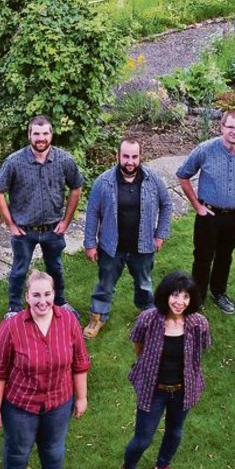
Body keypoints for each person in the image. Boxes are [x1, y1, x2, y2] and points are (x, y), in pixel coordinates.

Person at [0, 270, 90, 469]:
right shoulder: (12, 327)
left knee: (54, 447)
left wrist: (82, 397)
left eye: (47, 294)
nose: (42, 301)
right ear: (27, 297)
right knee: (18, 449)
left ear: (54, 294)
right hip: (20, 404)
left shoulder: (68, 321)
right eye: (36, 295)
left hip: (59, 401)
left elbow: (80, 362)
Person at [117, 271, 212, 469]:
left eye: (186, 297)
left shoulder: (198, 323)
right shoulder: (149, 318)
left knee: (175, 432)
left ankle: (162, 468)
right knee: (143, 438)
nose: (180, 302)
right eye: (175, 295)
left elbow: (202, 350)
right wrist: (147, 364)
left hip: (183, 390)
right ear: (165, 295)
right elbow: (138, 344)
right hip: (154, 389)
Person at [176, 110, 235, 315]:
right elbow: (183, 175)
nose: (234, 131)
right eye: (230, 127)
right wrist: (196, 205)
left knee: (225, 255)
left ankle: (219, 292)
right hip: (208, 215)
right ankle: (198, 297)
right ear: (221, 127)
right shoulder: (205, 150)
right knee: (202, 256)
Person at [0, 117, 85, 314]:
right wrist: (10, 224)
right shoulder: (14, 162)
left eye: (45, 133)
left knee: (56, 269)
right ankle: (14, 309)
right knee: (19, 271)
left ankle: (60, 303)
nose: (40, 138)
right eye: (36, 134)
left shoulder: (64, 160)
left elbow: (76, 187)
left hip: (53, 229)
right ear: (29, 136)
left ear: (51, 135)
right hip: (24, 231)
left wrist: (66, 221)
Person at [83, 138, 173, 338]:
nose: (130, 161)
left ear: (141, 157)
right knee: (105, 284)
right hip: (111, 247)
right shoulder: (103, 182)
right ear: (118, 156)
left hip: (143, 246)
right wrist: (90, 243)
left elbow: (167, 204)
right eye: (126, 156)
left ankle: (147, 316)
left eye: (134, 156)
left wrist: (160, 234)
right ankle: (98, 316)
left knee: (144, 283)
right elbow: (92, 213)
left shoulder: (153, 179)